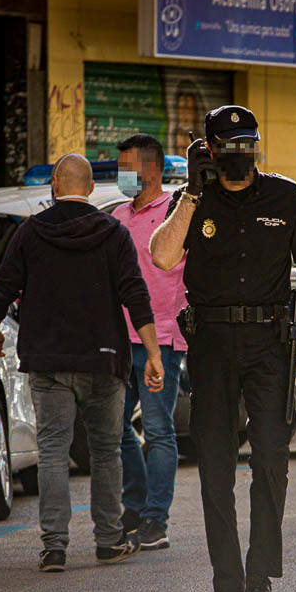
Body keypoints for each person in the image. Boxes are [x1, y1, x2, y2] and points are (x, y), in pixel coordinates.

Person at [149, 105, 296, 592]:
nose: (239, 154)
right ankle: (227, 590)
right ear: (208, 150)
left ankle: (260, 584)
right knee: (215, 468)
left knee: (271, 459)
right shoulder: (195, 198)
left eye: (246, 144)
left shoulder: (285, 196)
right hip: (211, 345)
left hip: (269, 344)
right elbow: (162, 256)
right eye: (228, 146)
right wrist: (191, 193)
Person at [0, 153, 164, 573]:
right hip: (104, 361)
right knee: (105, 453)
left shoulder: (31, 232)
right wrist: (153, 353)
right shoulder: (114, 233)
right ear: (89, 189)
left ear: (54, 187)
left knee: (52, 453)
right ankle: (109, 540)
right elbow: (135, 293)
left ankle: (54, 548)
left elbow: (3, 286)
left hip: (48, 363)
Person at [112, 133, 184, 551]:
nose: (122, 176)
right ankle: (135, 508)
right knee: (116, 427)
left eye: (129, 168)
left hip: (161, 339)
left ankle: (156, 520)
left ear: (152, 170)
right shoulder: (118, 216)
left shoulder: (175, 212)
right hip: (118, 340)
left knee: (158, 430)